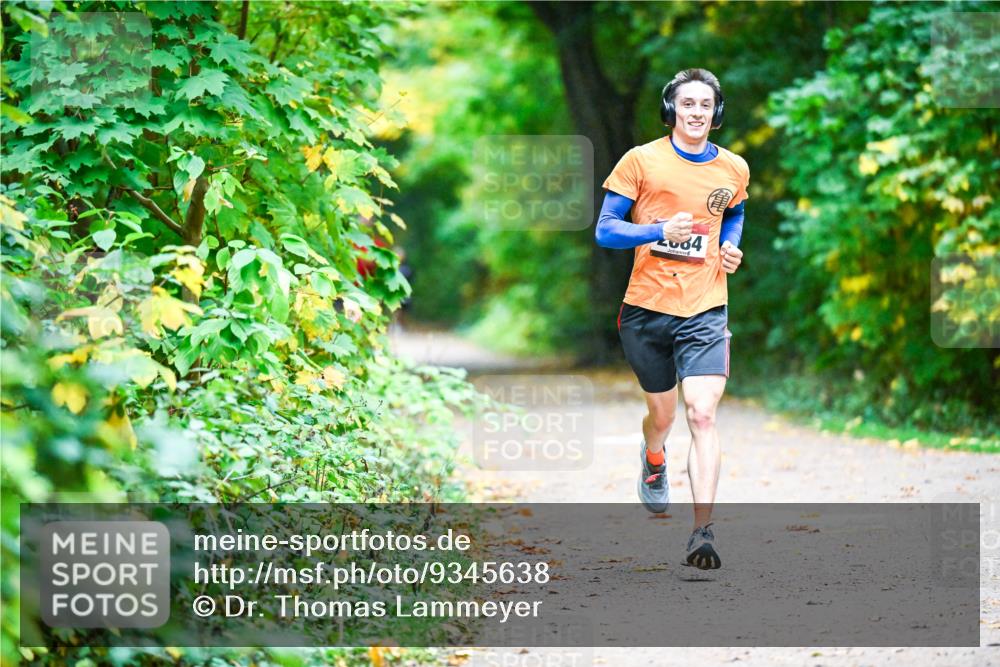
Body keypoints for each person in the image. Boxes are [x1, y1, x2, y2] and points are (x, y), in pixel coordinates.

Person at [595, 68, 749, 570]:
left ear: (717, 112)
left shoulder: (734, 168)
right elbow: (606, 231)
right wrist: (659, 229)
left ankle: (702, 530)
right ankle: (654, 454)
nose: (697, 112)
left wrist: (731, 245)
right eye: (688, 104)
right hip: (646, 308)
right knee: (661, 417)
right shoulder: (641, 161)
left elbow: (736, 212)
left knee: (701, 413)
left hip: (705, 306)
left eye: (706, 104)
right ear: (672, 110)